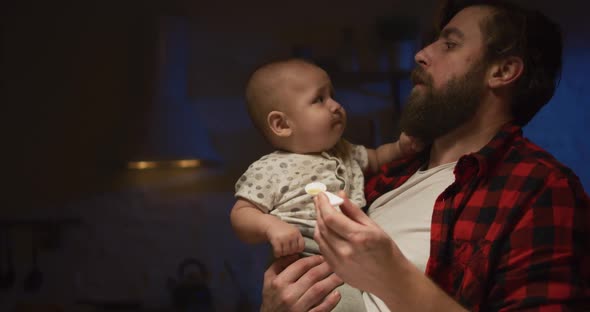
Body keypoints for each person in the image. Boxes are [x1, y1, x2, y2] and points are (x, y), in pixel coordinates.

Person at [260, 1, 590, 311]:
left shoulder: (540, 188)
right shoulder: (383, 176)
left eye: (450, 44)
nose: (420, 55)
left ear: (502, 71)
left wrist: (394, 277)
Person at [230, 59, 422, 311]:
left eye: (332, 95)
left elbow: (375, 159)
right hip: (305, 251)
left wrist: (399, 148)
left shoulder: (345, 150)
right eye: (319, 99)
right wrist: (272, 227)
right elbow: (241, 214)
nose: (336, 105)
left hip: (351, 250)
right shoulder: (270, 169)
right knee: (344, 305)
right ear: (282, 124)